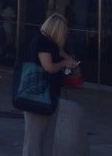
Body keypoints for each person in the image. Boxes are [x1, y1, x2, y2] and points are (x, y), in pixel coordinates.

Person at [21, 13, 79, 156]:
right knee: (35, 138)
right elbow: (49, 67)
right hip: (38, 94)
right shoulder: (43, 42)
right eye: (63, 32)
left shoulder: (52, 44)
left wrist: (67, 58)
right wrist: (64, 63)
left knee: (47, 137)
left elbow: (59, 54)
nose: (64, 36)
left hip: (50, 94)